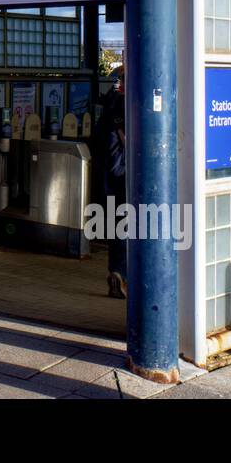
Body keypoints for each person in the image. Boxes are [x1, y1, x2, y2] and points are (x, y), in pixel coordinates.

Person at [93, 66, 127, 299]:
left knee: (118, 227)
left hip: (109, 177)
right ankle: (124, 276)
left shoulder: (109, 107)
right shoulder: (125, 105)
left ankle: (116, 272)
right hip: (125, 175)